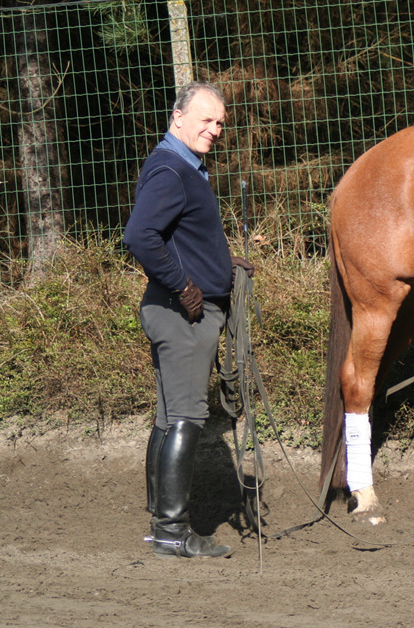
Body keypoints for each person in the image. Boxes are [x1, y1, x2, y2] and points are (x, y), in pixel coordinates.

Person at [123, 82, 253, 559]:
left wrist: (222, 264)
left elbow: (177, 235)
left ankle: (161, 517)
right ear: (177, 117)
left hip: (179, 311)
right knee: (186, 417)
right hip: (183, 315)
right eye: (205, 119)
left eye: (220, 122)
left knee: (167, 417)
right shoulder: (172, 169)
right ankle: (172, 532)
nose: (215, 129)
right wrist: (184, 284)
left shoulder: (182, 167)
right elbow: (140, 235)